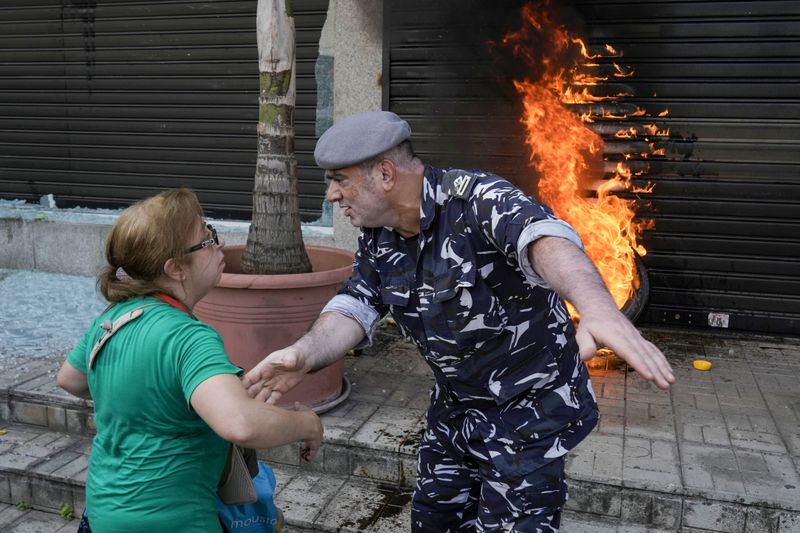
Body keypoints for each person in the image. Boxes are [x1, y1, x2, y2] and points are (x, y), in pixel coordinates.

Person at [242, 111, 675, 532]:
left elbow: (542, 238)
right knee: (434, 519)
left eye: (341, 181)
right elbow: (358, 302)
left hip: (527, 415)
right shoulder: (380, 231)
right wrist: (303, 354)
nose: (332, 196)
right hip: (456, 410)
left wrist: (595, 305)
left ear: (386, 175)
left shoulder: (477, 200)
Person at [56, 188, 323, 533]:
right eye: (207, 237)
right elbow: (240, 424)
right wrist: (307, 423)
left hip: (102, 516)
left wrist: (156, 402)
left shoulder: (113, 319)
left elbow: (70, 379)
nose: (220, 242)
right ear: (176, 268)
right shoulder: (189, 337)